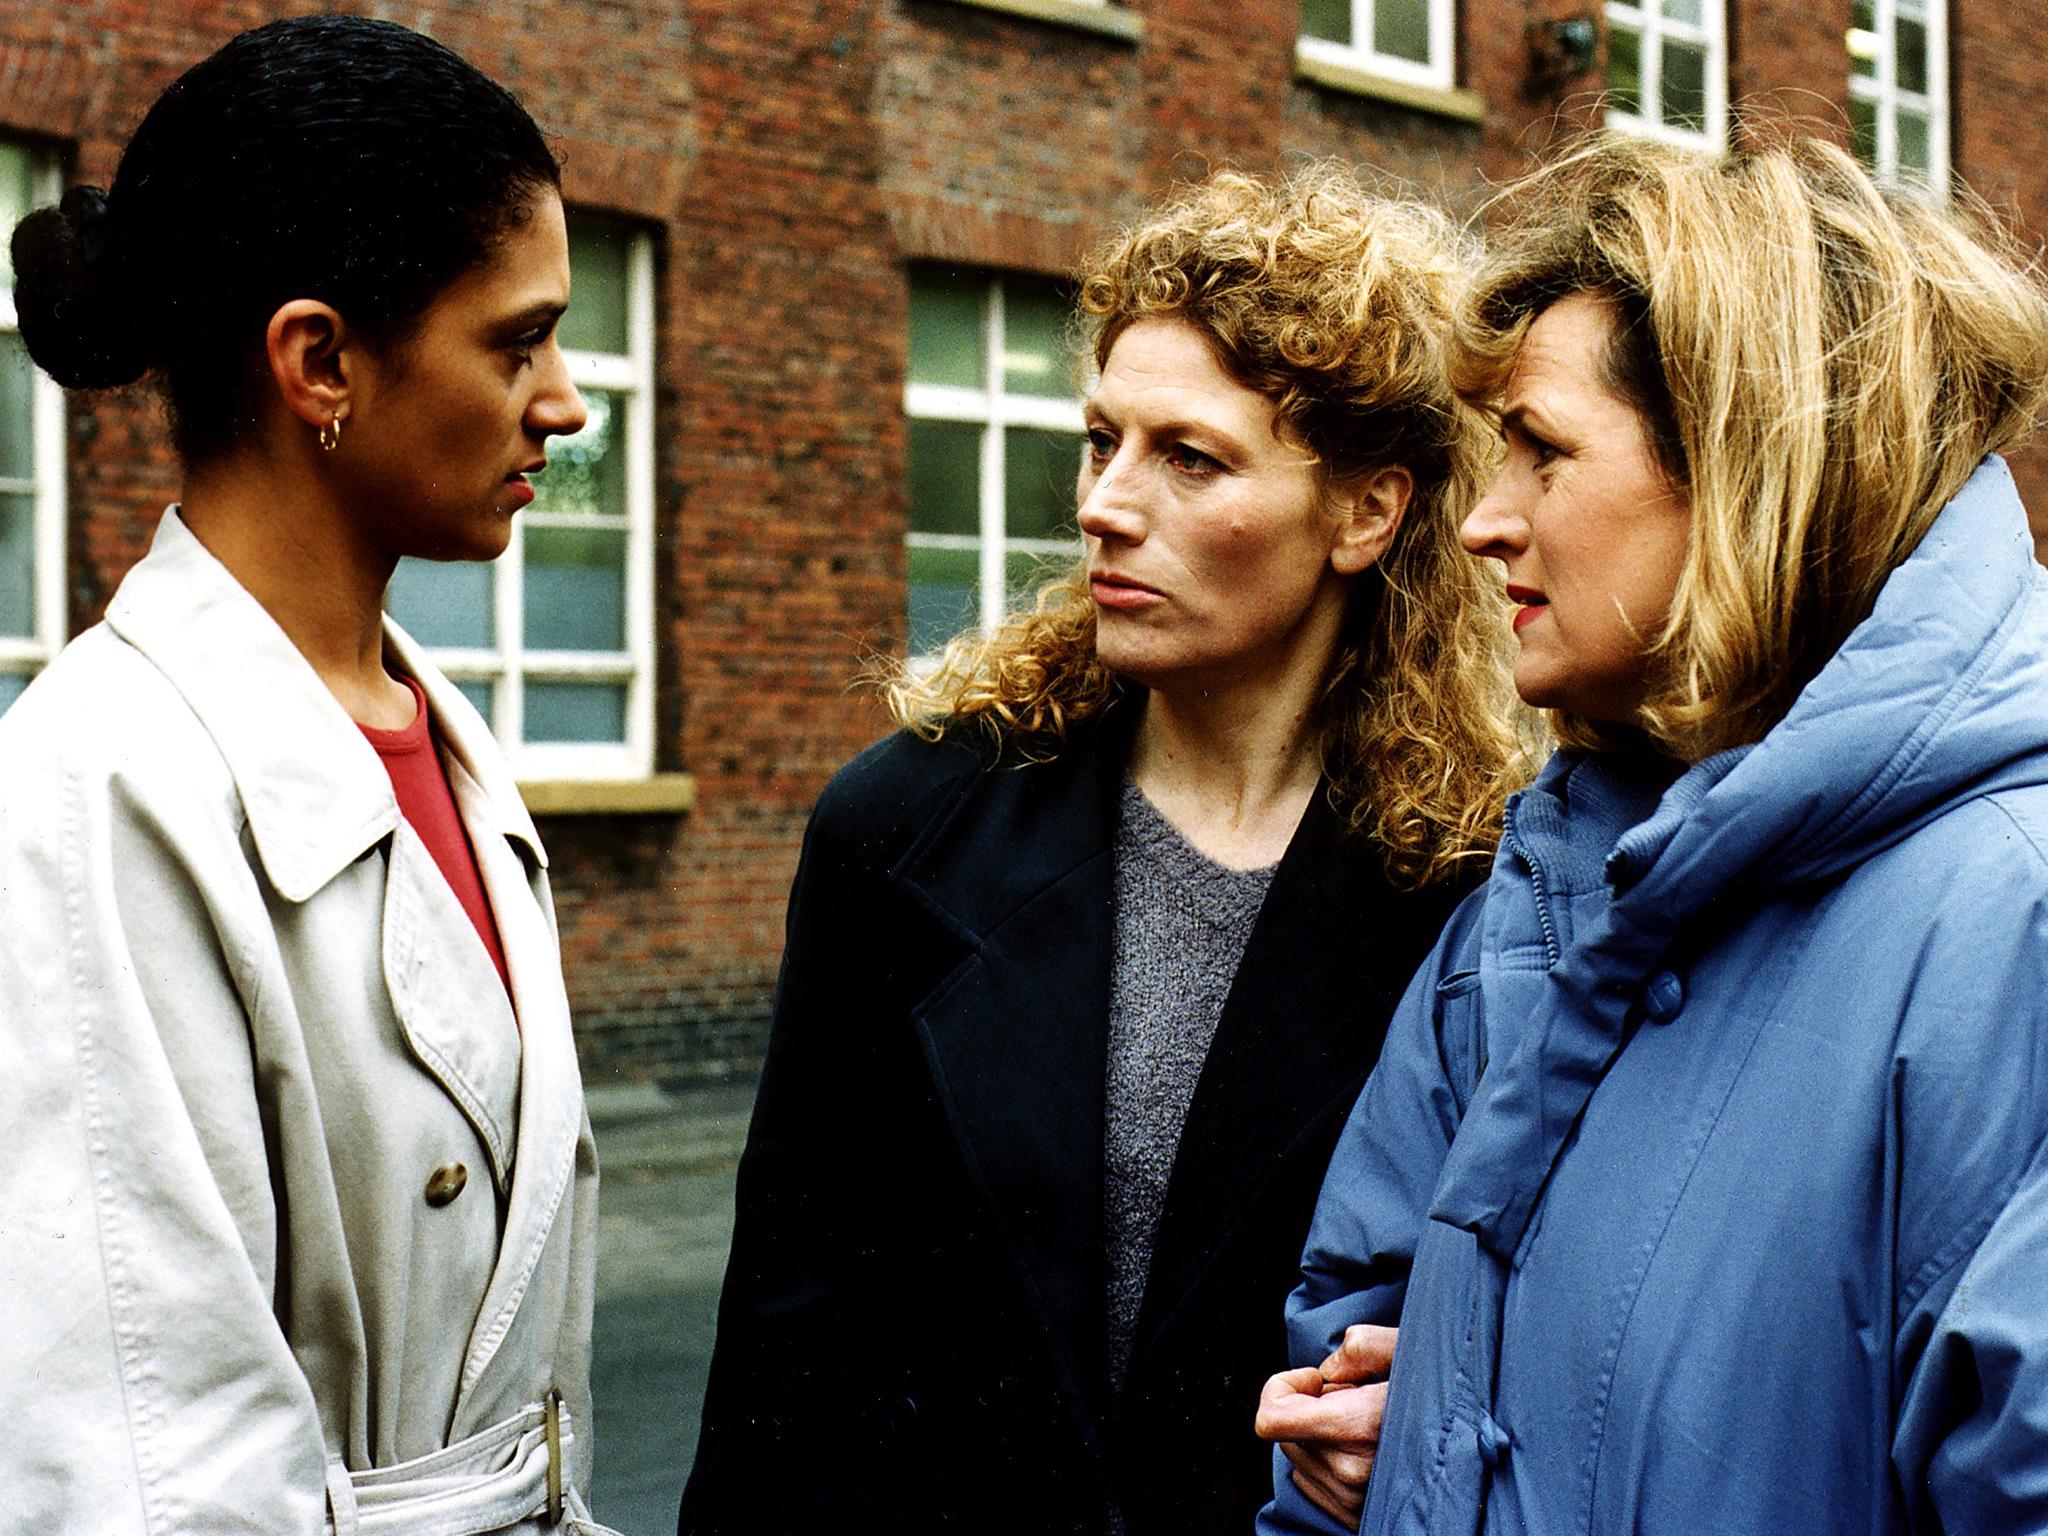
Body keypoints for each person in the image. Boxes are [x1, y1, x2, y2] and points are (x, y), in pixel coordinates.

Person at [677, 166, 1521, 1536]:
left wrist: (1418, 1409)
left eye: (1189, 458)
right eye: (1100, 441)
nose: (1106, 505)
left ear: (1369, 512)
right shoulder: (901, 831)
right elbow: (790, 1354)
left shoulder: (1479, 892)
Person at [1255, 133, 2048, 1536]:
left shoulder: (2012, 926)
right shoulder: (1551, 881)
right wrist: (1380, 1432)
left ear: (1753, 470)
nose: (1485, 525)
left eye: (1543, 453)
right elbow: (1355, 1309)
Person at [0, 16, 621, 1533]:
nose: (566, 401)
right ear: (320, 360)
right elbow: (151, 1468)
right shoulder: (95, 792)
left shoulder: (438, 733)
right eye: (517, 339)